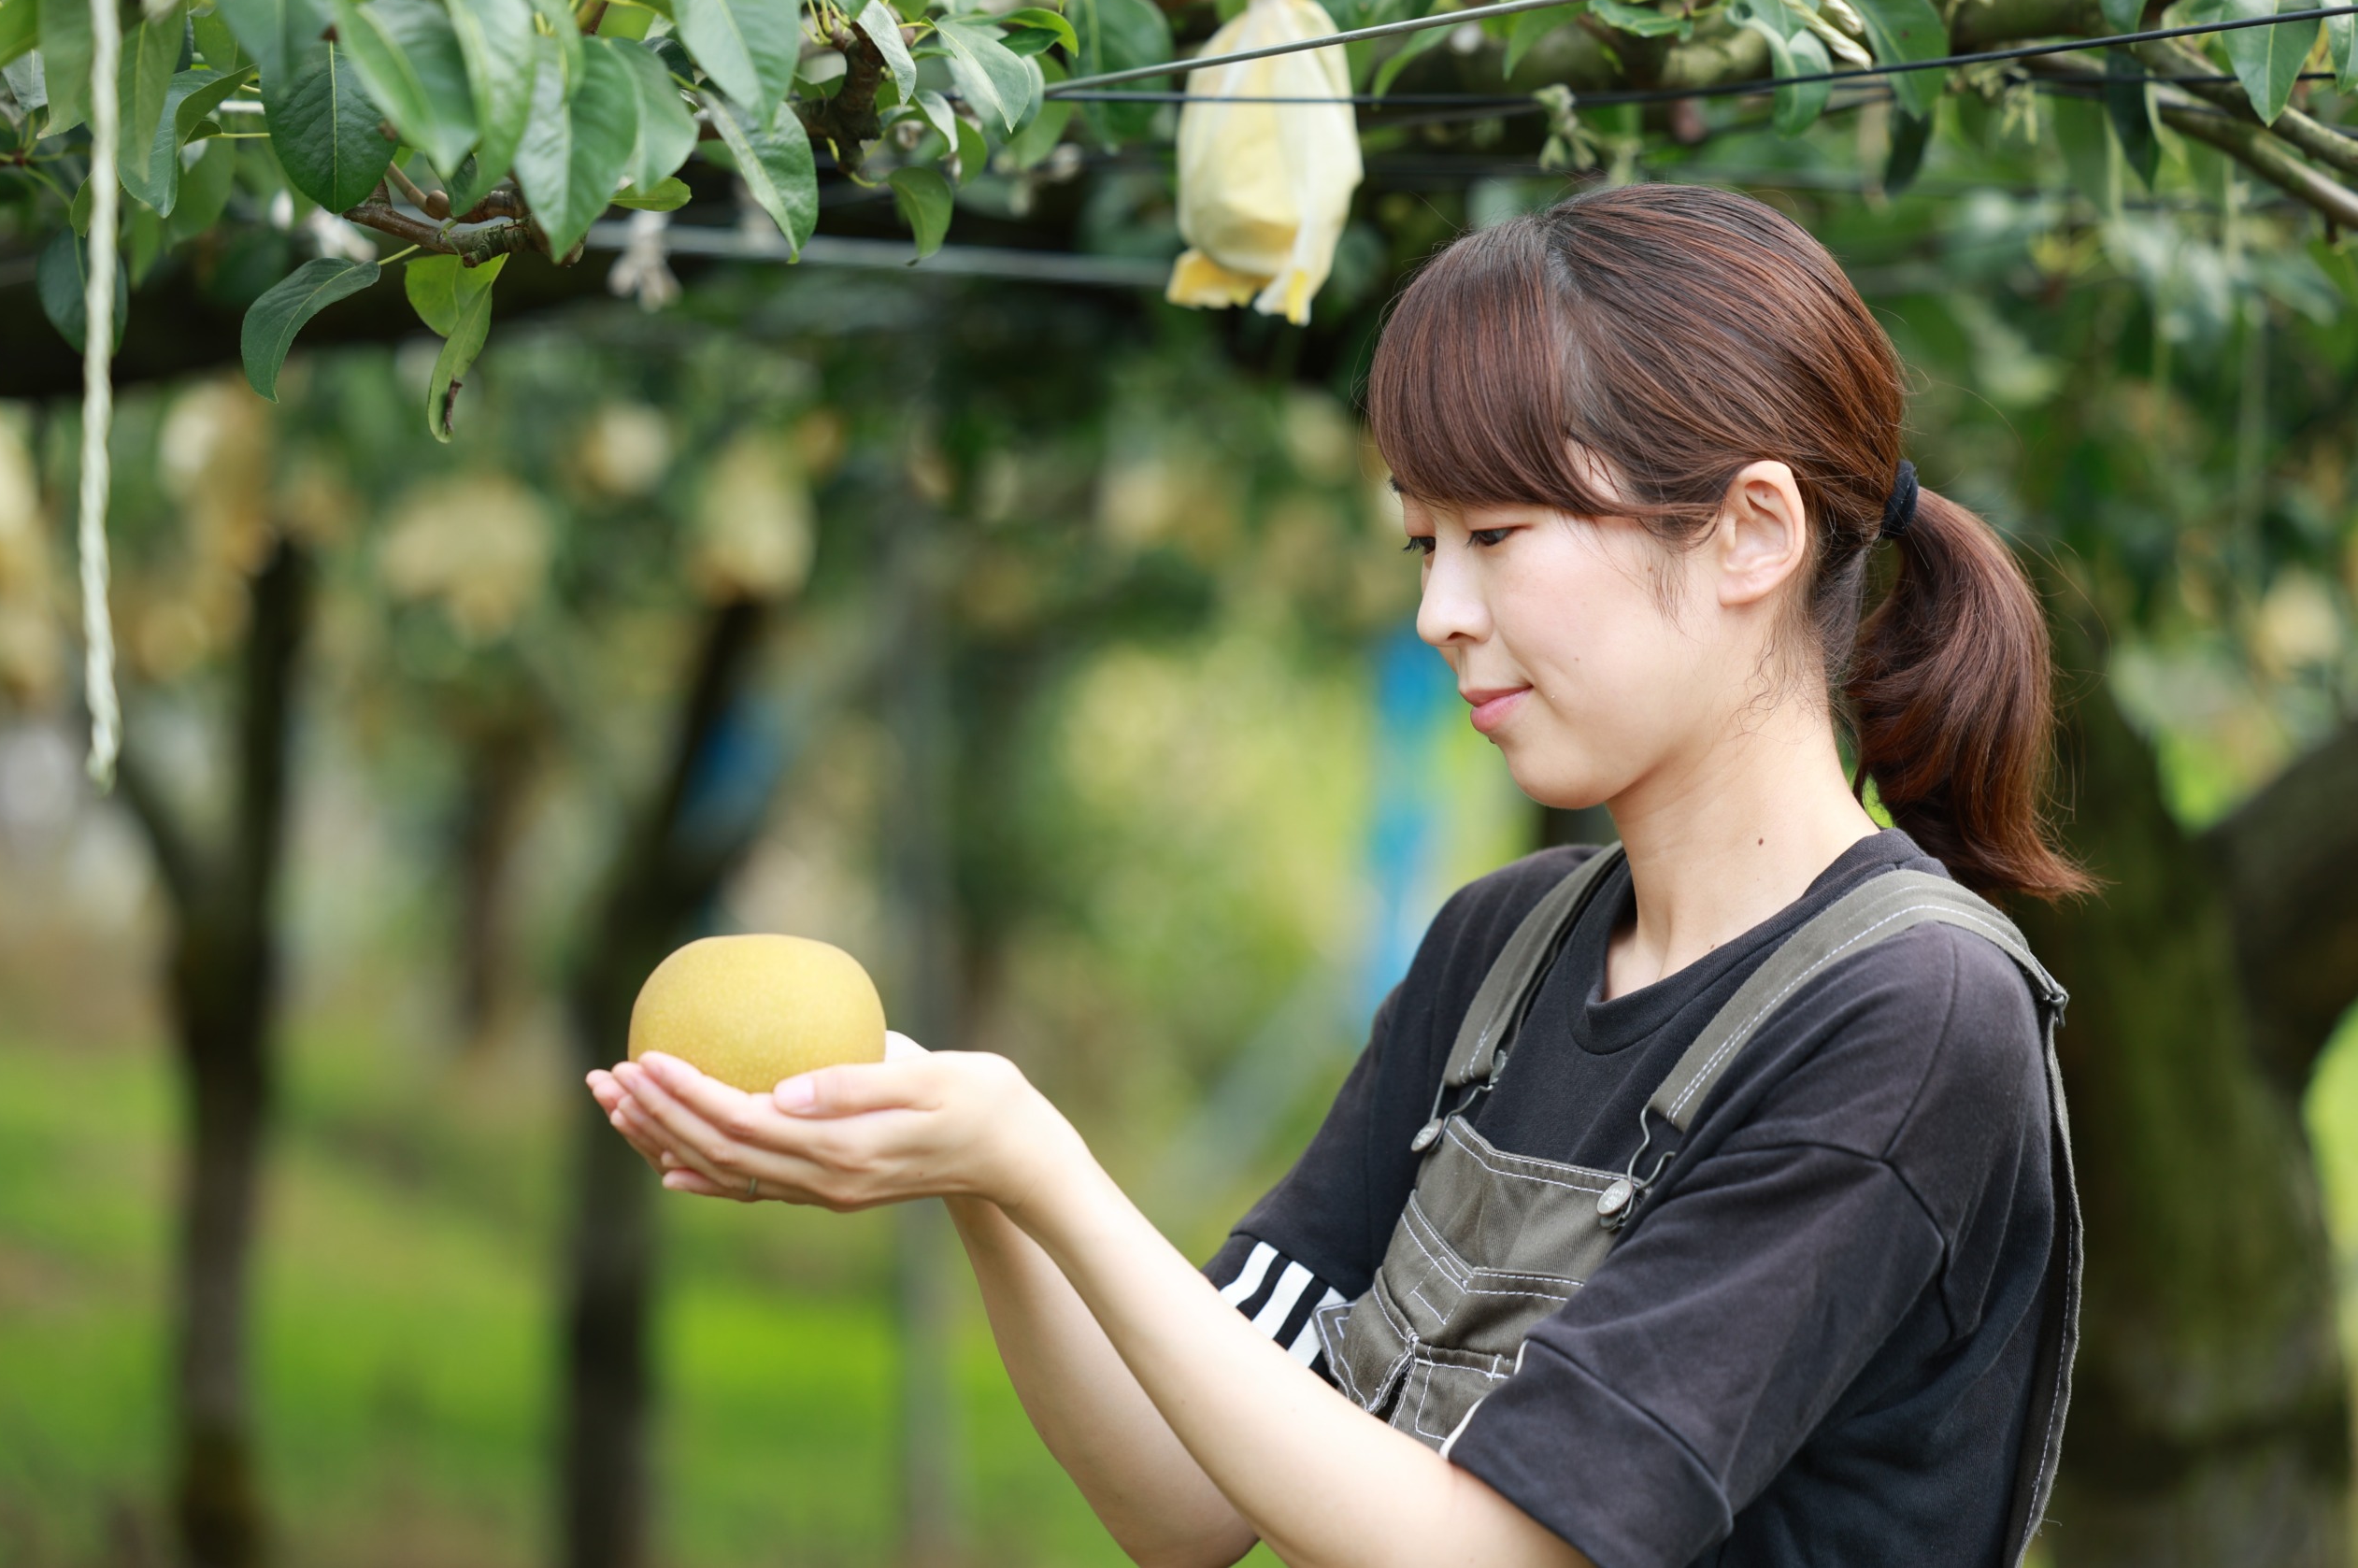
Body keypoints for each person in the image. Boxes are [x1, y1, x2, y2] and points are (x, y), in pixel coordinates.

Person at [586, 183, 2093, 1568]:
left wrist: (1037, 1153)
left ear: (1750, 531)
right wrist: (979, 1166)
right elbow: (1182, 1502)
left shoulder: (1909, 1020)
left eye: (1497, 534)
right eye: (1421, 544)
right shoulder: (1500, 955)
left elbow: (1494, 1551)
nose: (1441, 608)